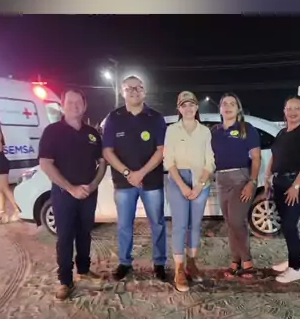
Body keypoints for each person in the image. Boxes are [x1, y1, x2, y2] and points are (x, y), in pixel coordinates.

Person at [39, 88, 107, 300]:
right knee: (65, 236)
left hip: (88, 194)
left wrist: (93, 185)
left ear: (85, 106)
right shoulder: (52, 131)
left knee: (85, 233)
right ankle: (65, 281)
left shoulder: (92, 133)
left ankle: (84, 270)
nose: (74, 106)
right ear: (62, 105)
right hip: (64, 194)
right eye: (70, 102)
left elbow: (102, 162)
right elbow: (45, 163)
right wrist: (70, 188)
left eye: (78, 102)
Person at [102, 75, 167, 282]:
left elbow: (161, 150)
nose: (134, 91)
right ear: (122, 92)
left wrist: (141, 173)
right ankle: (124, 262)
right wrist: (128, 173)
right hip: (124, 183)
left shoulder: (156, 118)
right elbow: (107, 151)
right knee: (124, 224)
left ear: (144, 91)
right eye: (129, 88)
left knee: (157, 223)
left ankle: (159, 263)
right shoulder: (114, 118)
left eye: (138, 87)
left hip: (151, 182)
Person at [164, 91, 215, 293]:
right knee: (180, 225)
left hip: (200, 181)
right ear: (179, 108)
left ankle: (191, 263)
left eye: (191, 104)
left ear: (196, 107)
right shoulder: (172, 130)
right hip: (178, 180)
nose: (188, 108)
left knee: (195, 225)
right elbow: (169, 161)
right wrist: (183, 186)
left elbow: (210, 161)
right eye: (184, 105)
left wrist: (199, 184)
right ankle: (179, 269)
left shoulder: (205, 131)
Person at [263, 95, 300, 284]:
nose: (293, 112)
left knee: (289, 225)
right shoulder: (282, 132)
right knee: (285, 225)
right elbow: (274, 155)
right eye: (289, 108)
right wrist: (267, 176)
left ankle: (295, 268)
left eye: (297, 108)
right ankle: (292, 259)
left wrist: (296, 186)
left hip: (295, 184)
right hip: (279, 183)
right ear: (284, 111)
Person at [211, 93, 261, 279]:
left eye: (232, 104)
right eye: (224, 104)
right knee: (230, 223)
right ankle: (235, 260)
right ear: (220, 109)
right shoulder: (214, 132)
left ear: (238, 108)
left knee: (236, 221)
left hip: (241, 178)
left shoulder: (246, 128)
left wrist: (252, 182)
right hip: (221, 179)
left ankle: (247, 261)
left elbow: (256, 157)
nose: (228, 107)